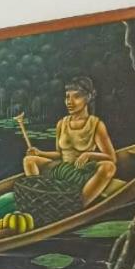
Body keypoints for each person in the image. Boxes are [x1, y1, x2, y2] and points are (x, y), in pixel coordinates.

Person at [22, 76, 117, 205]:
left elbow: (111, 157)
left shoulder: (96, 124)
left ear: (88, 97)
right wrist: (40, 153)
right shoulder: (62, 123)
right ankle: (40, 200)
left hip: (82, 173)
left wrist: (88, 155)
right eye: (67, 97)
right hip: (62, 170)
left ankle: (78, 205)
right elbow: (59, 154)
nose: (70, 102)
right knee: (29, 160)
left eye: (76, 97)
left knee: (109, 167)